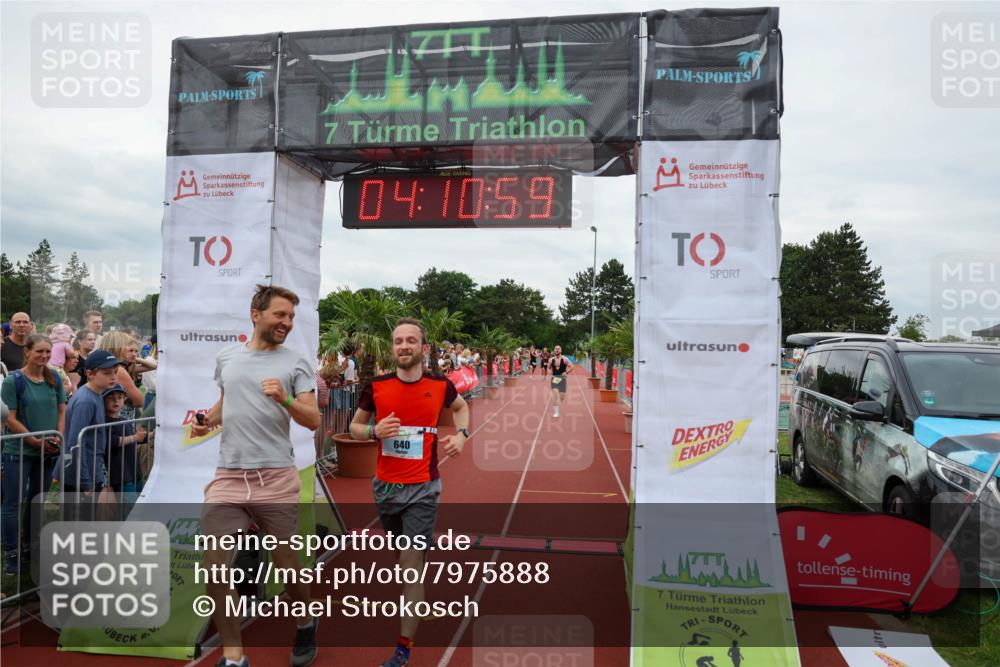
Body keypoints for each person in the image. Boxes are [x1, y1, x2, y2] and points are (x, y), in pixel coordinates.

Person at [189, 284, 321, 667]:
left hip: (275, 478)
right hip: (229, 477)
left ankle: (305, 619)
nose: (287, 323)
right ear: (256, 314)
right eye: (280, 314)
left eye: (292, 317)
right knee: (214, 567)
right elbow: (226, 401)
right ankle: (234, 658)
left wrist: (285, 399)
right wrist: (206, 423)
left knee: (288, 568)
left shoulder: (295, 363)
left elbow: (312, 420)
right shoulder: (227, 356)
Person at [350, 317, 471, 667]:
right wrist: (374, 431)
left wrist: (461, 437)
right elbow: (353, 427)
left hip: (423, 488)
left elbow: (461, 408)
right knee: (405, 560)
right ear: (393, 347)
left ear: (423, 348)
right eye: (398, 341)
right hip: (386, 488)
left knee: (409, 566)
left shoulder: (439, 383)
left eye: (411, 341)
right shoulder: (377, 386)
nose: (404, 346)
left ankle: (403, 648)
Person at [1, 334, 67, 571]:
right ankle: (11, 554)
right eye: (39, 351)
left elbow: (61, 411)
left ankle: (29, 547)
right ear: (27, 351)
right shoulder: (13, 381)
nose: (45, 356)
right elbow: (10, 418)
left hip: (48, 452)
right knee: (13, 503)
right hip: (18, 451)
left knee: (36, 501)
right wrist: (36, 441)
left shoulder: (54, 379)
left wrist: (57, 439)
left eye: (48, 352)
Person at [60, 350, 121, 508]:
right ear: (90, 374)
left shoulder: (96, 394)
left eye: (115, 372)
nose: (113, 377)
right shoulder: (85, 401)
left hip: (89, 469)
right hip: (81, 473)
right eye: (107, 373)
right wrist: (85, 481)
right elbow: (76, 442)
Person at [103, 383, 147, 505]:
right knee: (129, 509)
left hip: (135, 472)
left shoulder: (124, 420)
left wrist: (149, 436)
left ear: (125, 399)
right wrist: (134, 437)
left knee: (139, 505)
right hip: (121, 475)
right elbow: (112, 441)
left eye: (119, 397)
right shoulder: (103, 422)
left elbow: (135, 439)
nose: (116, 401)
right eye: (111, 398)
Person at [548, 345, 573, 418]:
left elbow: (572, 367)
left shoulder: (565, 359)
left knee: (562, 397)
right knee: (555, 395)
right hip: (554, 379)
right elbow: (548, 368)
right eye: (555, 349)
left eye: (558, 349)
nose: (557, 350)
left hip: (562, 379)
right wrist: (550, 372)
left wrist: (566, 372)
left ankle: (557, 406)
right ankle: (556, 412)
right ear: (554, 350)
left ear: (561, 351)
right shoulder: (551, 360)